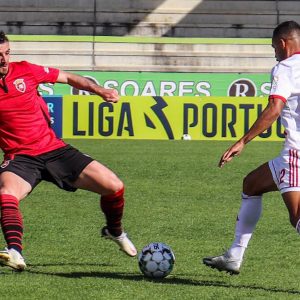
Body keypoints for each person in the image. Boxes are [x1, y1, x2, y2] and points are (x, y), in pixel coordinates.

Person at [0, 31, 137, 271]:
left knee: (114, 186)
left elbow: (68, 77)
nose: (4, 59)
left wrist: (100, 90)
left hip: (55, 150)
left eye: (7, 53)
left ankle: (114, 231)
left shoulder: (26, 70)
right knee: (6, 194)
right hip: (20, 158)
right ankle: (15, 252)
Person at [203, 20, 300, 275]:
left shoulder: (285, 68)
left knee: (297, 216)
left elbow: (274, 108)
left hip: (296, 153)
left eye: (273, 47)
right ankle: (234, 255)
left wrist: (243, 141)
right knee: (251, 184)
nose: (274, 53)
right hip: (288, 156)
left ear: (282, 43)